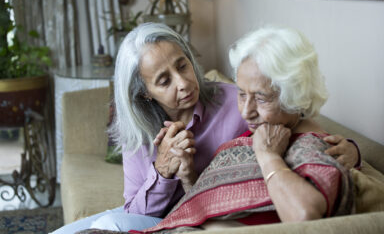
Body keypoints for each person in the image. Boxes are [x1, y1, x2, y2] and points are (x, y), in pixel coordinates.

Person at [52, 23, 358, 234]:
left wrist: (351, 149)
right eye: (164, 80)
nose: (183, 83)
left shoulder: (235, 103)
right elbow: (134, 210)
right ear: (145, 93)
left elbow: (293, 116)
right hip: (156, 218)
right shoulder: (140, 131)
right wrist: (163, 171)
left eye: (182, 65)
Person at [142, 26, 355, 233]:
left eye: (261, 98)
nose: (245, 112)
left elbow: (304, 217)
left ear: (295, 95)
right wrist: (189, 178)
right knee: (109, 220)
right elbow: (209, 207)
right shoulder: (264, 131)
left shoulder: (310, 146)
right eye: (242, 94)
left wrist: (268, 156)